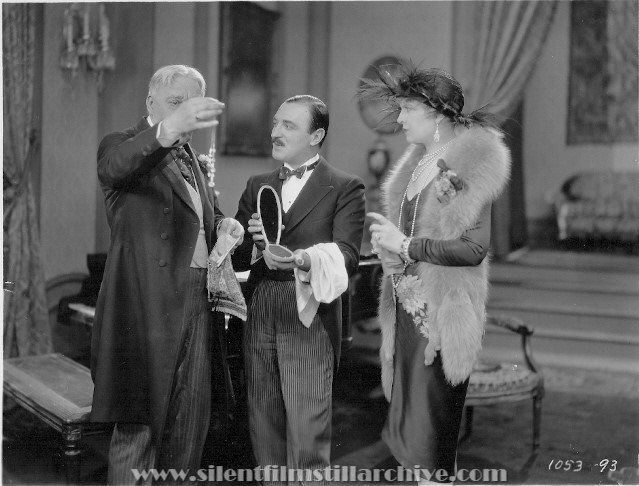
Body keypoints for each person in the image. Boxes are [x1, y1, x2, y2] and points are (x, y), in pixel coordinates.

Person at [90, 64, 244, 484]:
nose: (186, 114)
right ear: (150, 102)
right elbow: (115, 167)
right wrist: (168, 129)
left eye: (192, 106)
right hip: (145, 306)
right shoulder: (122, 144)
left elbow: (199, 222)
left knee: (187, 431)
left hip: (198, 301)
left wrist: (224, 227)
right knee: (139, 435)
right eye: (177, 103)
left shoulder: (193, 160)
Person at [360, 61, 511, 484]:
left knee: (431, 446)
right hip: (406, 316)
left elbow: (473, 249)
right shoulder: (417, 165)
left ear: (438, 112)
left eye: (408, 109)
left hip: (440, 318)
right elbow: (406, 247)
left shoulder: (471, 163)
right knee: (408, 441)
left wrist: (405, 245)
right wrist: (391, 254)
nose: (401, 119)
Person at [232, 95, 365, 481]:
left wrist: (303, 259)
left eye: (288, 126)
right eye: (275, 123)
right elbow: (238, 259)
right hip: (260, 306)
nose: (275, 132)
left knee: (307, 437)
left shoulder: (344, 187)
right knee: (263, 429)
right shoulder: (257, 184)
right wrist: (247, 239)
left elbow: (348, 254)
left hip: (308, 310)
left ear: (316, 135)